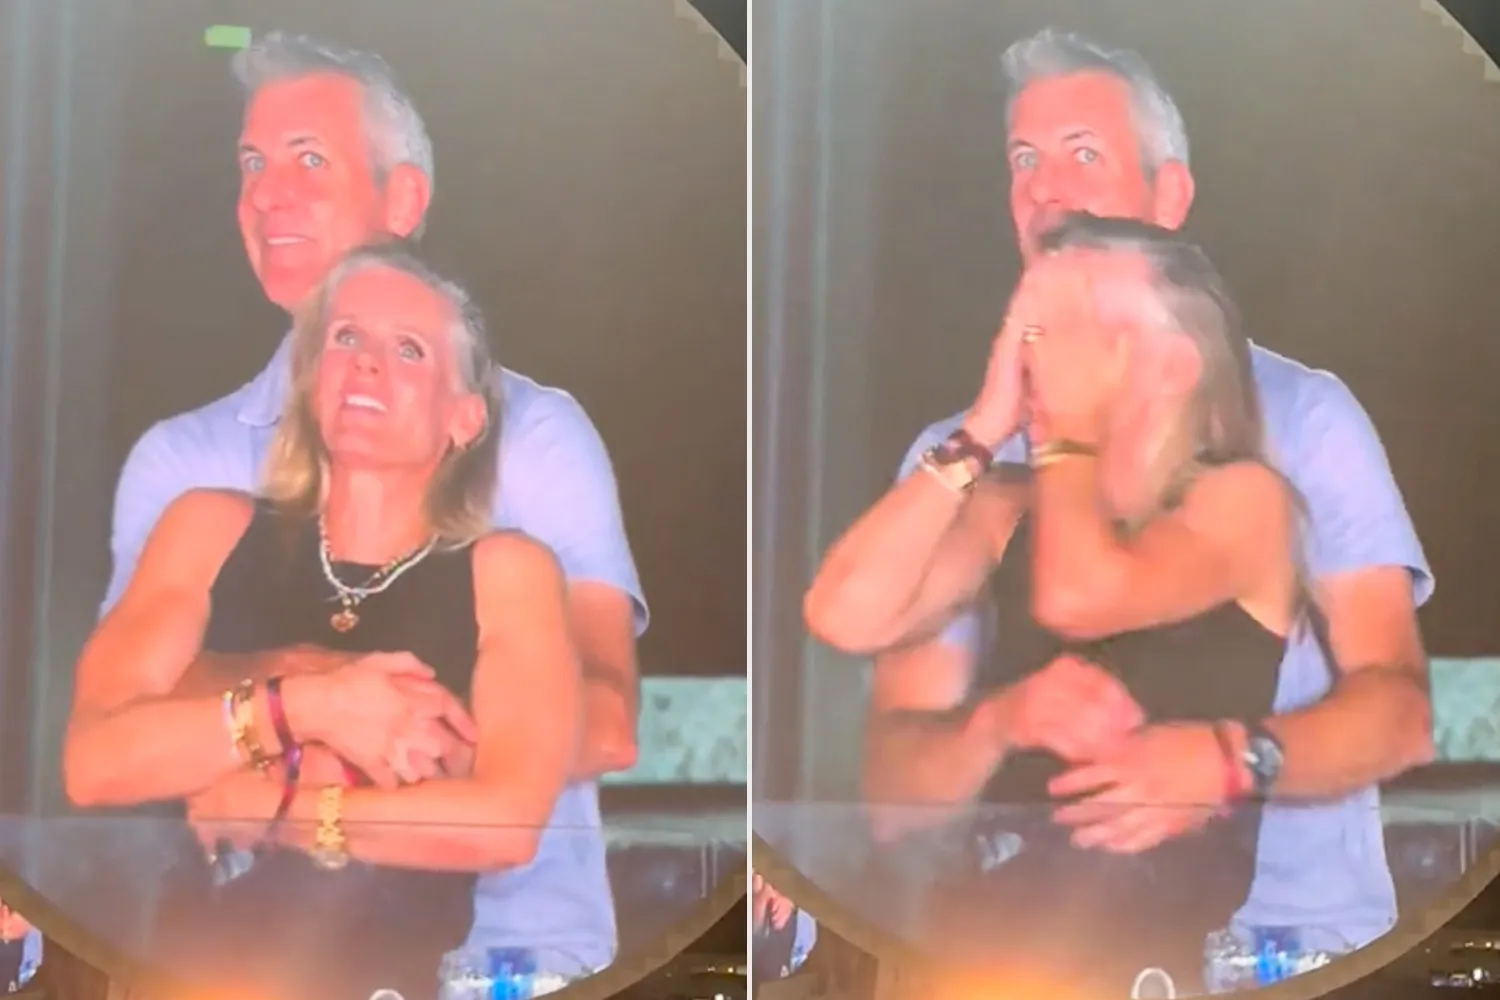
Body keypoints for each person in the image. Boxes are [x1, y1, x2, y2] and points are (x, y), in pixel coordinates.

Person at [822, 27, 1433, 962]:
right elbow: (885, 760)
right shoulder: (970, 470)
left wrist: (1230, 757)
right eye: (1023, 159)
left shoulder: (1298, 428)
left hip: (1284, 948)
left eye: (1083, 153)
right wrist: (999, 719)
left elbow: (1398, 714)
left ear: (1169, 195)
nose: (1045, 187)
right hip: (1037, 948)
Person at [95, 32, 645, 976]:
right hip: (249, 961)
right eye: (252, 164)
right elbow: (118, 724)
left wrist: (311, 761)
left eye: (310, 159)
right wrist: (318, 694)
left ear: (404, 201)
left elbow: (604, 722)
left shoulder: (539, 435)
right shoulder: (182, 463)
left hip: (511, 959)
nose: (269, 193)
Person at [65, 246, 583, 1000]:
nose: (366, 361)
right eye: (346, 337)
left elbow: (507, 823)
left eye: (409, 349)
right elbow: (95, 762)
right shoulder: (206, 528)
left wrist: (281, 808)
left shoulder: (508, 572)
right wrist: (308, 705)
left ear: (465, 418)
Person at [808, 216, 1299, 991]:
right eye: (1035, 329)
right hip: (990, 935)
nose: (1044, 351)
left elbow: (1079, 597)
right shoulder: (1007, 507)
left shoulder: (1245, 502)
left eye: (1083, 324)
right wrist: (980, 432)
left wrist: (1066, 428)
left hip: (1146, 954)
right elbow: (842, 615)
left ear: (1174, 363)